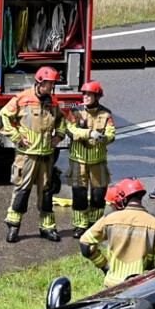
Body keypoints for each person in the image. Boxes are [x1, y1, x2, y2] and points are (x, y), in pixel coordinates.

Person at [0, 65, 65, 242]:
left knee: (46, 193)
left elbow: (61, 120)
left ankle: (47, 227)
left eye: (53, 84)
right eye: (50, 84)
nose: (52, 87)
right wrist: (16, 137)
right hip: (27, 155)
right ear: (40, 83)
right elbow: (2, 118)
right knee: (22, 191)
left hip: (47, 155)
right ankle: (13, 226)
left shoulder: (52, 101)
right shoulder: (23, 99)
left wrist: (58, 137)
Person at [79, 179, 155, 287]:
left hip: (113, 286)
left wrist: (104, 266)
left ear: (123, 199)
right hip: (143, 285)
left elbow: (85, 245)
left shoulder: (109, 219)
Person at [63, 80, 116, 237]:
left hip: (98, 161)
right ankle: (80, 225)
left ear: (97, 96)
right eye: (84, 93)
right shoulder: (75, 112)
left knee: (98, 194)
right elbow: (70, 130)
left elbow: (112, 133)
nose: (85, 96)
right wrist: (88, 133)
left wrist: (104, 138)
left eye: (89, 94)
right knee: (79, 194)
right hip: (78, 161)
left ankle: (95, 224)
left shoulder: (106, 114)